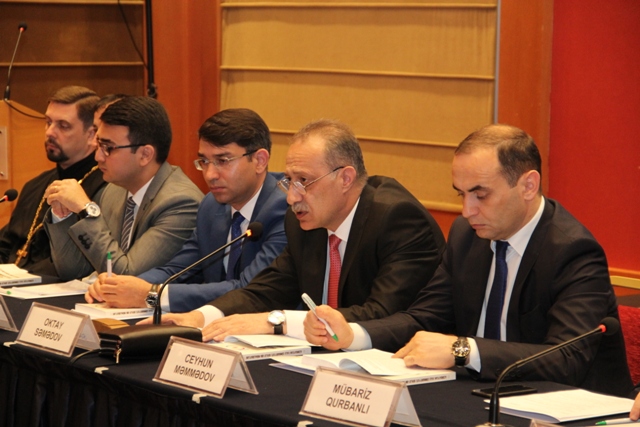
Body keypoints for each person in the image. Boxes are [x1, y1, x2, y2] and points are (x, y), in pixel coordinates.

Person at [304, 123, 633, 398]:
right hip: (481, 396)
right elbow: (424, 317)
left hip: (571, 408)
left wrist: (462, 351)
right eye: (461, 194)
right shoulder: (467, 236)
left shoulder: (573, 251)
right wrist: (354, 334)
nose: (466, 211)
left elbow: (566, 358)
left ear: (528, 185)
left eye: (481, 194)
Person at [146, 119, 446, 342]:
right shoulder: (304, 222)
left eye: (304, 181)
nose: (292, 197)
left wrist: (276, 322)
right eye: (289, 181)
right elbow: (267, 290)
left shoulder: (397, 219)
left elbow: (382, 313)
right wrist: (201, 317)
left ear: (345, 178)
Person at [84, 108, 288, 312]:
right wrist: (119, 287)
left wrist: (151, 295)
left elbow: (248, 290)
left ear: (260, 161)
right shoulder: (211, 206)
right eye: (204, 161)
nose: (210, 174)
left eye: (223, 161)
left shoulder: (284, 211)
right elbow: (178, 270)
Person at [44, 96, 203, 281]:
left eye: (108, 148)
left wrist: (88, 211)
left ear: (145, 154)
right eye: (99, 145)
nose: (98, 157)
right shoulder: (113, 190)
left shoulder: (181, 204)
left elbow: (126, 276)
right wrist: (62, 215)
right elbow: (75, 272)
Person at [0, 86, 106, 277]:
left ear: (92, 135)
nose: (50, 132)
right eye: (48, 122)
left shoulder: (105, 187)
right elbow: (6, 245)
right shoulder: (34, 186)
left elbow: (82, 261)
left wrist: (22, 278)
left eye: (63, 126)